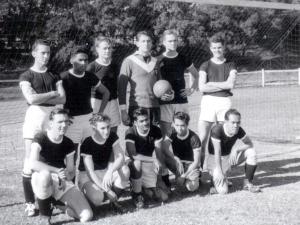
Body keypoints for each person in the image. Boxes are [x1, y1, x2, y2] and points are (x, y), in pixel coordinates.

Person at [19, 39, 66, 217]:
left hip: (52, 117)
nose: (46, 56)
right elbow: (31, 99)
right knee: (30, 160)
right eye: (42, 53)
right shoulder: (26, 76)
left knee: (50, 157)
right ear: (34, 53)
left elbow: (62, 99)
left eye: (48, 53)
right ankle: (30, 203)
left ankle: (49, 198)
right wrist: (52, 93)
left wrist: (46, 97)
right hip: (34, 116)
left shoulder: (54, 75)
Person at [29, 108, 93, 224]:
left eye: (66, 121)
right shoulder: (41, 137)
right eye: (60, 122)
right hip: (41, 177)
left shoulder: (68, 142)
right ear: (51, 123)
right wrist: (57, 171)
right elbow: (32, 163)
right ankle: (45, 215)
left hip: (60, 179)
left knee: (87, 216)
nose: (64, 125)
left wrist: (65, 177)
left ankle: (58, 204)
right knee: (45, 175)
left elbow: (70, 171)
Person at [198, 34, 237, 169]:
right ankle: (200, 171)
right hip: (208, 101)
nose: (217, 50)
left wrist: (212, 83)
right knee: (202, 139)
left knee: (224, 138)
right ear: (210, 48)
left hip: (224, 102)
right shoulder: (205, 65)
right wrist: (223, 84)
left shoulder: (230, 64)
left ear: (224, 47)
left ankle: (223, 172)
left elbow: (230, 84)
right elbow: (202, 87)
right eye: (214, 48)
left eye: (219, 47)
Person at [78, 113, 130, 212]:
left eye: (108, 127)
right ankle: (86, 196)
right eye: (102, 128)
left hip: (105, 170)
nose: (106, 131)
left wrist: (110, 171)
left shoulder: (112, 136)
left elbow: (120, 157)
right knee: (97, 198)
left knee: (125, 170)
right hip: (87, 176)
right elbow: (90, 172)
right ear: (94, 128)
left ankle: (113, 202)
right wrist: (108, 190)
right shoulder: (87, 143)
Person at [60, 48, 110, 146]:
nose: (83, 63)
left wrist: (100, 112)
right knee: (72, 151)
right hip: (71, 120)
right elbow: (57, 99)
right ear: (72, 61)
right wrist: (64, 115)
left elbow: (106, 93)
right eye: (80, 60)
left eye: (86, 60)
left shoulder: (90, 76)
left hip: (88, 118)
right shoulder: (63, 77)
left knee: (88, 150)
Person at [118, 31, 168, 127]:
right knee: (138, 139)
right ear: (137, 43)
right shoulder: (129, 61)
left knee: (155, 139)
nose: (146, 44)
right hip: (137, 106)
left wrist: (167, 94)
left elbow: (161, 85)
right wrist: (123, 111)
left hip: (155, 106)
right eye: (143, 41)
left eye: (149, 41)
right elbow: (121, 88)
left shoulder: (155, 61)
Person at [207, 109, 260, 194]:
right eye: (233, 122)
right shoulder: (217, 130)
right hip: (215, 159)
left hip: (228, 157)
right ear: (226, 121)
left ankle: (248, 183)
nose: (236, 125)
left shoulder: (239, 129)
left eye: (238, 122)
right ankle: (214, 180)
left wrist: (236, 149)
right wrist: (220, 172)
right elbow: (218, 151)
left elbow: (250, 144)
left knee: (251, 152)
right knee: (223, 191)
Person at [158, 30, 199, 136]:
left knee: (182, 133)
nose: (173, 43)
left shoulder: (183, 58)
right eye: (170, 41)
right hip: (165, 102)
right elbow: (153, 82)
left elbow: (197, 75)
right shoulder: (158, 60)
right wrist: (159, 94)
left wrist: (191, 89)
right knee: (166, 135)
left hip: (181, 100)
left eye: (175, 40)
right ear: (164, 42)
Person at [125, 108, 168, 209]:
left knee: (164, 197)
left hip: (147, 161)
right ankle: (137, 193)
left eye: (147, 119)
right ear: (135, 122)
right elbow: (133, 154)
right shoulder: (130, 132)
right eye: (141, 121)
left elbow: (158, 152)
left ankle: (145, 189)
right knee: (137, 163)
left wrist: (159, 178)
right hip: (132, 161)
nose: (145, 123)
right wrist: (154, 160)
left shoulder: (156, 130)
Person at [86, 36, 121, 133]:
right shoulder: (92, 67)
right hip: (97, 103)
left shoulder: (115, 65)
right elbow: (85, 89)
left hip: (113, 102)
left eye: (109, 48)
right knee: (97, 132)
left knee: (113, 132)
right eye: (104, 48)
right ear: (97, 49)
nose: (107, 51)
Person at [162, 112, 201, 192]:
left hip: (191, 164)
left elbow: (196, 161)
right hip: (178, 163)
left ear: (187, 124)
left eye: (182, 125)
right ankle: (165, 182)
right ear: (173, 124)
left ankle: (195, 177)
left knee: (191, 187)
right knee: (162, 156)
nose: (179, 128)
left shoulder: (194, 138)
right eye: (177, 125)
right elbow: (164, 148)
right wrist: (175, 157)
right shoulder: (171, 132)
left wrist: (184, 176)